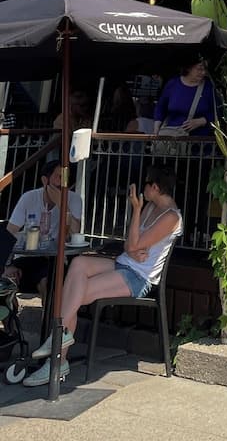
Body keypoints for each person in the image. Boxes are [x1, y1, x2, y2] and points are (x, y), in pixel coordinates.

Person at [23, 165, 182, 387]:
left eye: (146, 184)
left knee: (76, 292)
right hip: (123, 263)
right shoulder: (150, 207)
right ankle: (59, 342)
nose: (141, 189)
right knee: (78, 263)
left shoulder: (171, 217)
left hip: (138, 277)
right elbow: (129, 245)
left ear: (155, 187)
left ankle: (57, 354)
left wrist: (136, 211)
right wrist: (133, 247)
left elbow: (133, 244)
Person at [4, 160, 83, 298]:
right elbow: (9, 233)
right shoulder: (29, 198)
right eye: (59, 177)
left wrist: (62, 205)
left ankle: (49, 312)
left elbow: (75, 232)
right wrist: (7, 265)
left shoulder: (74, 199)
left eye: (66, 177)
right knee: (7, 281)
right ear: (45, 180)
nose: (63, 182)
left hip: (55, 260)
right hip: (27, 258)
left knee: (48, 283)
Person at [153, 58, 215, 137]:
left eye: (205, 69)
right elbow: (161, 107)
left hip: (199, 139)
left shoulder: (209, 87)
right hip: (172, 136)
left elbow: (218, 112)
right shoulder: (173, 84)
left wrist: (202, 121)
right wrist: (156, 128)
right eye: (199, 69)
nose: (203, 72)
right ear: (188, 68)